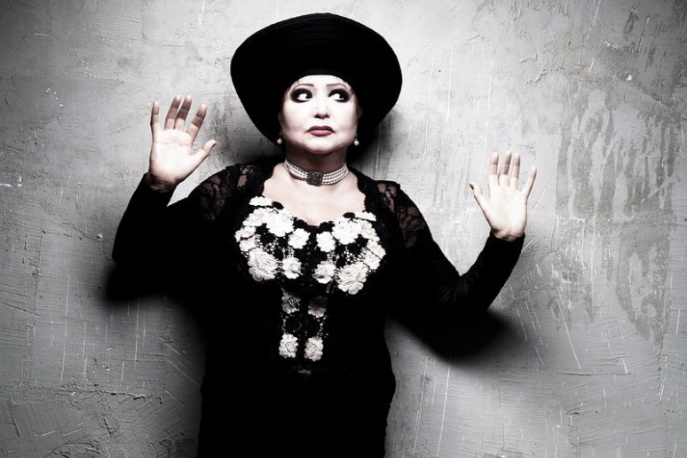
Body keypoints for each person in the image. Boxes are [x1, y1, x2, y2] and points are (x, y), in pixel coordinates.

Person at [112, 12, 536, 458]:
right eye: (302, 95)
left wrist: (505, 242)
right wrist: (157, 186)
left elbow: (453, 307)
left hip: (350, 434)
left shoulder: (389, 207)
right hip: (237, 431)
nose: (321, 109)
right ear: (277, 119)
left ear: (359, 117)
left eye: (339, 95)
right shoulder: (232, 192)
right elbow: (132, 257)